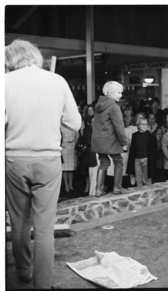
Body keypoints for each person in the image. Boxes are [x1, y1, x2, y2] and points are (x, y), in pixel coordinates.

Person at [5, 39, 81, 289]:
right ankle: (42, 284)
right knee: (45, 229)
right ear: (35, 55)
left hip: (15, 159)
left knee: (18, 224)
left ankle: (23, 275)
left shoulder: (5, 82)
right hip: (48, 159)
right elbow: (75, 123)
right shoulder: (56, 81)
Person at [91, 81, 128, 196]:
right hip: (110, 140)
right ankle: (117, 188)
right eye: (119, 92)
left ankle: (98, 190)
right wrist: (124, 142)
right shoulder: (114, 107)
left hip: (98, 141)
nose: (121, 95)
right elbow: (119, 127)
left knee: (104, 162)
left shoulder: (98, 105)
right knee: (119, 161)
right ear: (111, 93)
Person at [127, 118, 158, 187]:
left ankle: (149, 194)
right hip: (137, 159)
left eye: (146, 124)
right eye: (142, 124)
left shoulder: (150, 135)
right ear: (138, 125)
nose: (144, 126)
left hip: (146, 159)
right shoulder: (135, 135)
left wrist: (153, 160)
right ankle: (140, 194)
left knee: (147, 179)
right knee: (138, 179)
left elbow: (154, 149)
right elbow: (132, 150)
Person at [61, 126, 78, 193]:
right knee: (65, 169)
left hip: (72, 147)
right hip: (64, 147)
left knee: (71, 169)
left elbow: (77, 137)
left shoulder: (73, 126)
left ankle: (70, 185)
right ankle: (66, 185)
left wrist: (76, 147)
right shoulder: (61, 127)